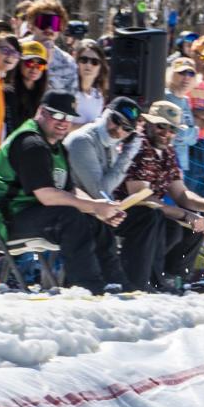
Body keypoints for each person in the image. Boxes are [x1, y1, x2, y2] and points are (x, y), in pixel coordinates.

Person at [0, 90, 126, 292]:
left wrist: (101, 210)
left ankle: (116, 282)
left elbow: (70, 192)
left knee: (94, 222)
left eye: (68, 117)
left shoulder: (57, 147)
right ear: (41, 112)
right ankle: (89, 287)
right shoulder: (31, 143)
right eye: (56, 114)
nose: (63, 122)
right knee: (70, 217)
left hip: (30, 212)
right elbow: (47, 195)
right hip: (2, 219)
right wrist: (94, 206)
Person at [113, 99, 204, 290]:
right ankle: (148, 280)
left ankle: (174, 279)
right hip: (123, 213)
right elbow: (141, 198)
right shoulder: (139, 145)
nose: (167, 133)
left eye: (172, 129)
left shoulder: (168, 151)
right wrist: (186, 215)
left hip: (151, 213)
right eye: (161, 126)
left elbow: (181, 193)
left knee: (196, 225)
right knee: (169, 226)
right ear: (148, 123)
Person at [66, 96, 154, 290]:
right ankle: (114, 280)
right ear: (105, 112)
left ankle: (141, 281)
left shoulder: (109, 143)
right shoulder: (83, 140)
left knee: (149, 217)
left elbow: (104, 193)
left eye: (127, 129)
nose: (118, 130)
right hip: (76, 208)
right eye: (116, 120)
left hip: (96, 205)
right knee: (102, 220)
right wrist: (128, 154)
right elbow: (101, 190)